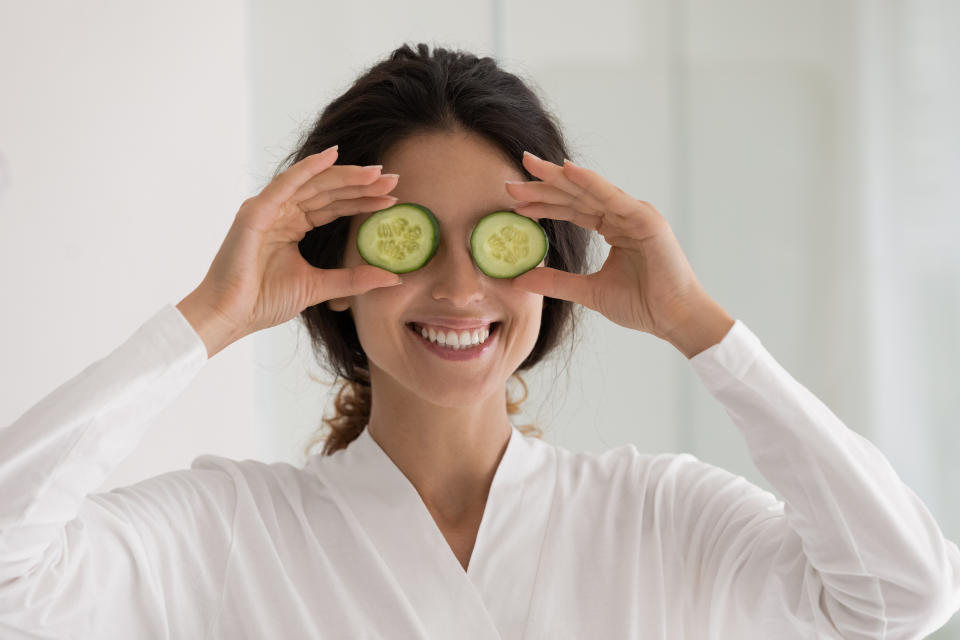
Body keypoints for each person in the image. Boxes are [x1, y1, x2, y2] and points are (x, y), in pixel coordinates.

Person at [1, 41, 959, 639]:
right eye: (409, 239)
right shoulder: (228, 532)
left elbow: (904, 597)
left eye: (501, 246)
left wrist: (700, 327)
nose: (461, 287)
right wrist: (209, 317)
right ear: (334, 272)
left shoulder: (661, 516)